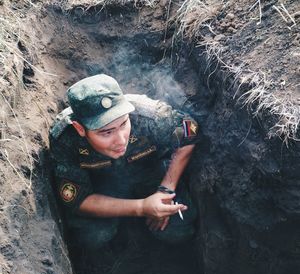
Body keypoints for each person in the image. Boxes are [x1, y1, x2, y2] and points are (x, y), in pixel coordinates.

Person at [49, 74, 199, 250]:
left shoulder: (149, 116)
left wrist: (166, 189)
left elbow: (189, 132)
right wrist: (142, 207)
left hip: (149, 175)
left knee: (179, 229)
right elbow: (77, 200)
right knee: (92, 236)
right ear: (80, 129)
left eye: (123, 124)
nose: (121, 140)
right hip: (101, 189)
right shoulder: (65, 138)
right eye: (107, 132)